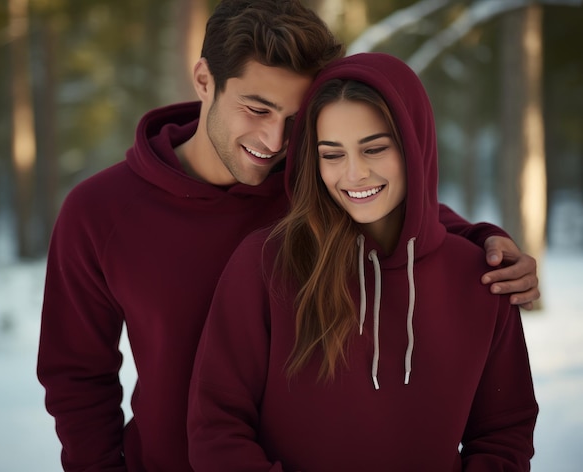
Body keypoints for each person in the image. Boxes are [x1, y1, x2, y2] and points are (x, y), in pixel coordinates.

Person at [37, 1, 539, 471]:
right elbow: (77, 380)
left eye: (295, 120)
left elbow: (399, 211)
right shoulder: (99, 212)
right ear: (203, 80)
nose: (274, 142)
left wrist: (484, 240)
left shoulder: (312, 186)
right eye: (257, 109)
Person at [187, 52, 539, 471]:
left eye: (374, 148)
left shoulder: (483, 278)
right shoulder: (268, 264)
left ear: (415, 145)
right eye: (332, 154)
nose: (354, 174)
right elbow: (216, 426)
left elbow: (504, 433)